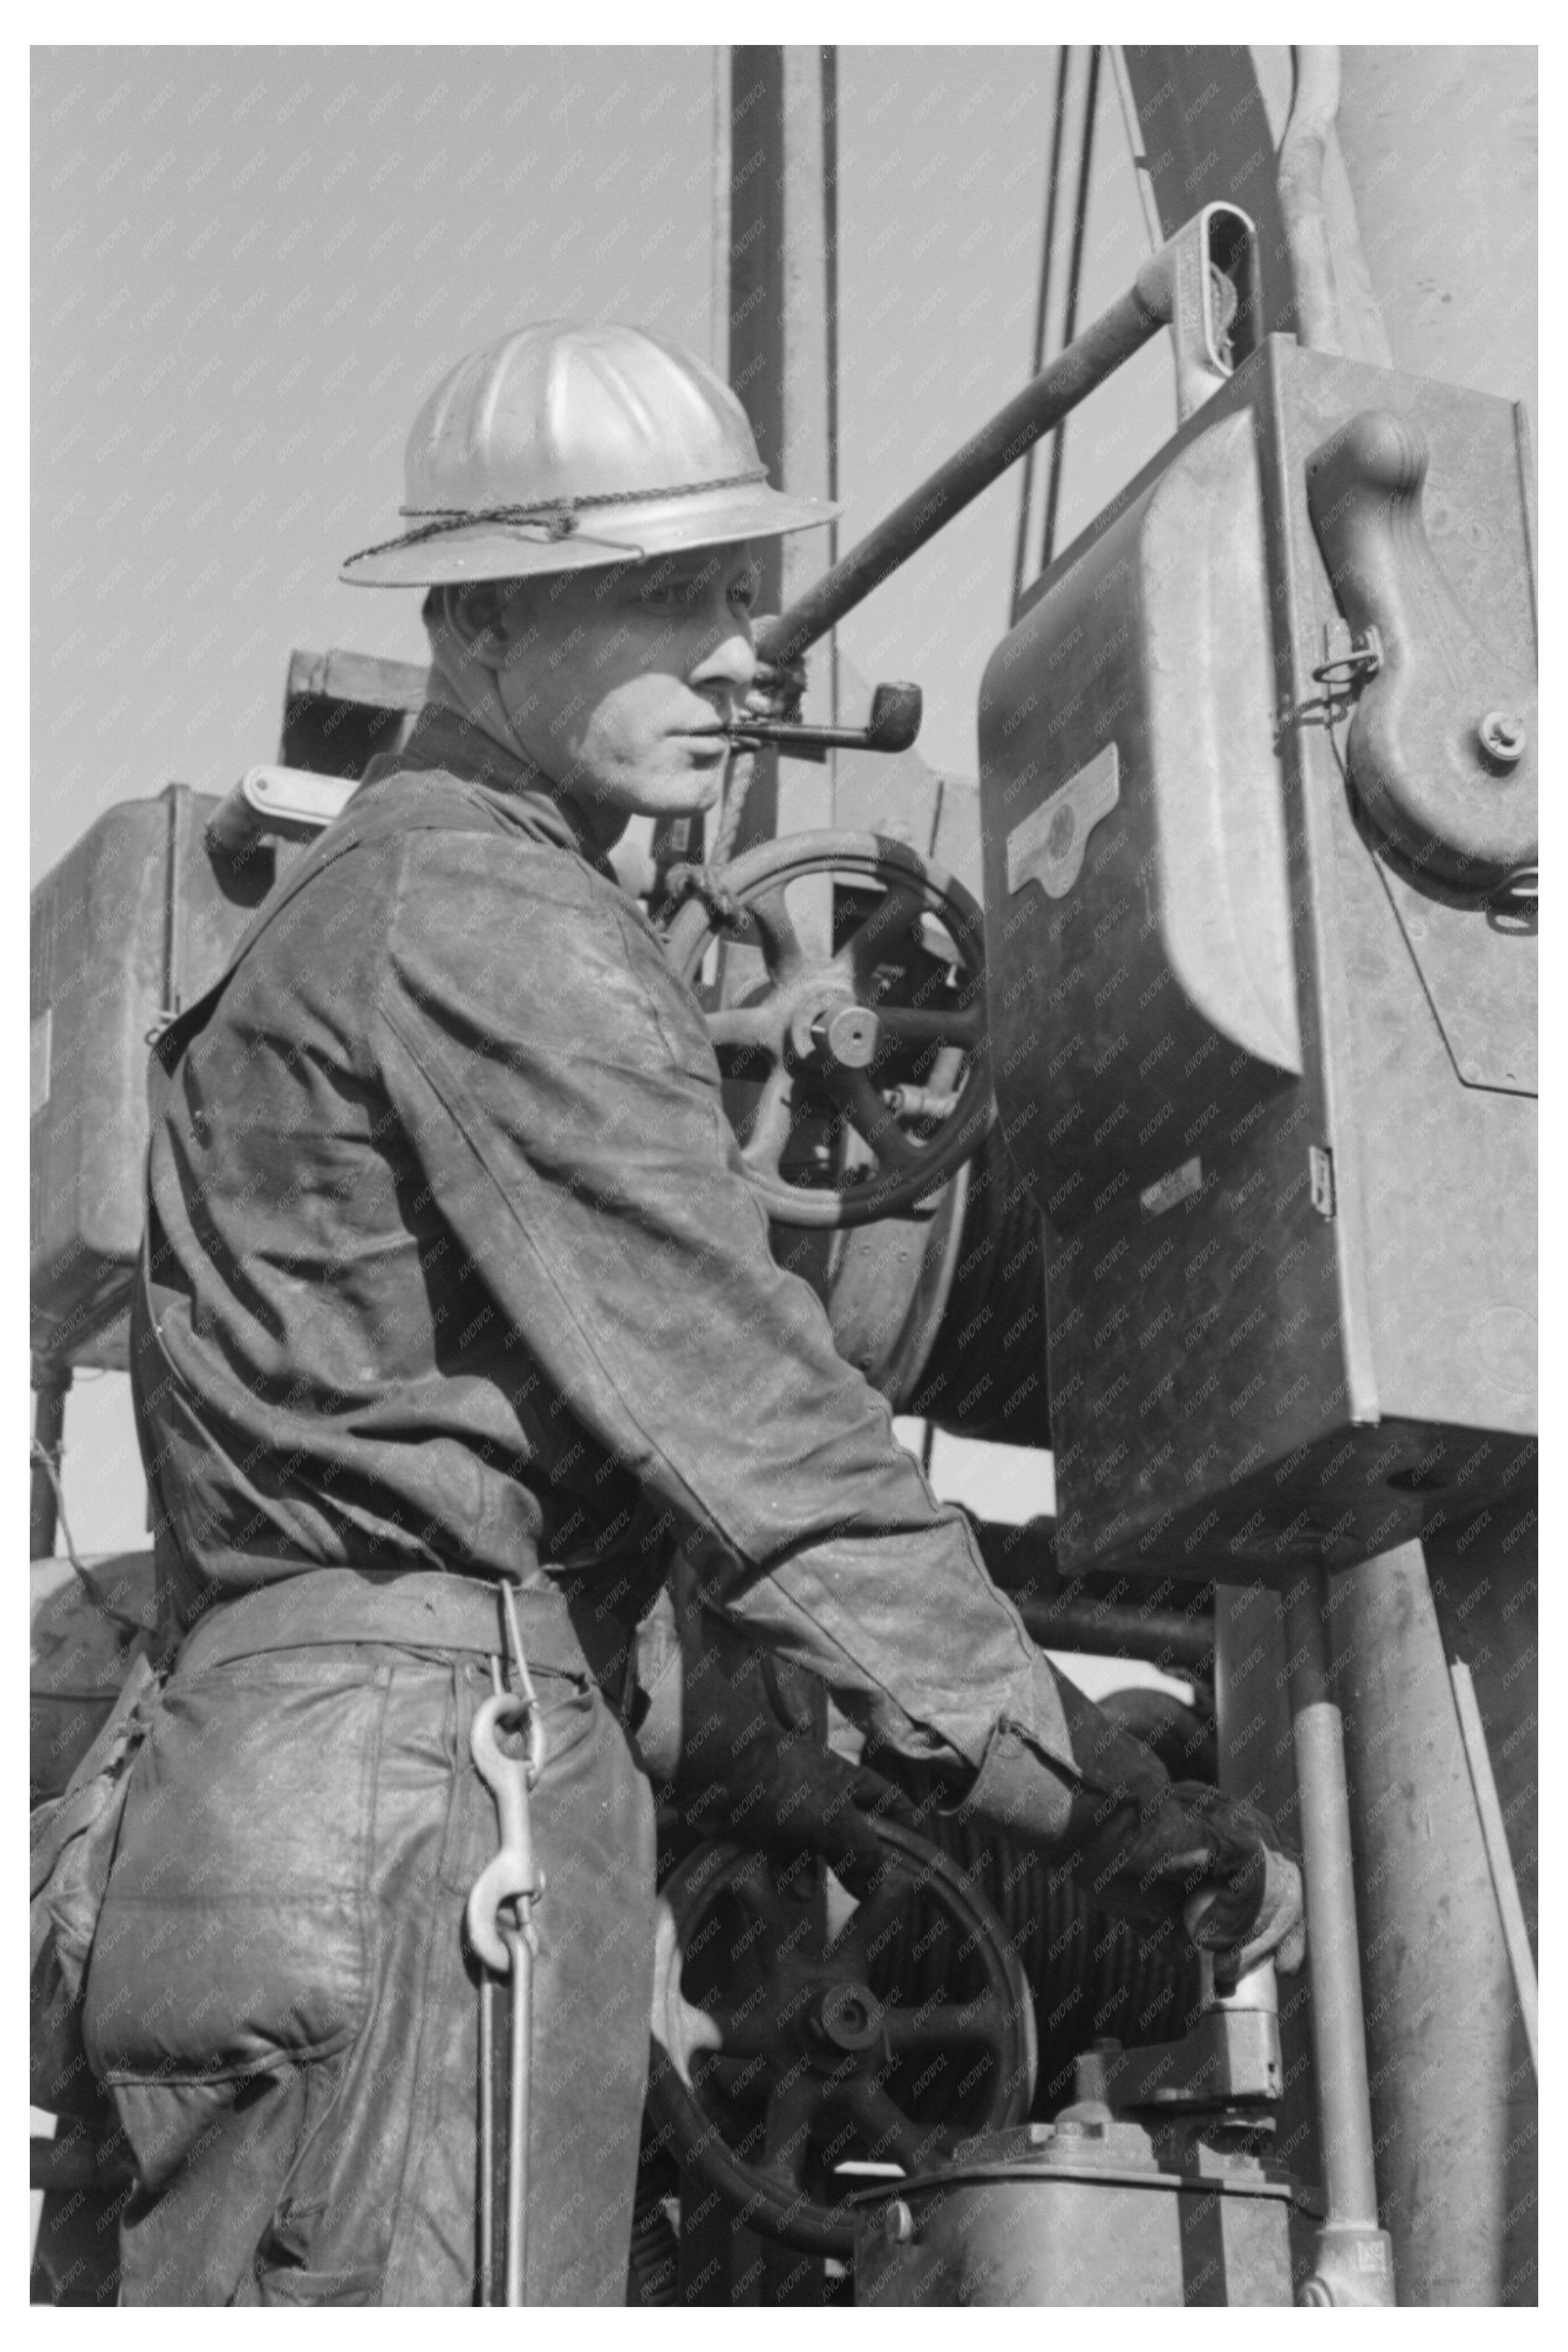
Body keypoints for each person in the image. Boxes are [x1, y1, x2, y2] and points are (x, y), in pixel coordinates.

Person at [84, 322, 1303, 2306]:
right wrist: (1092, 1796)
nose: (743, 644)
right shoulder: (494, 918)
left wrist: (835, 1765)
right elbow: (760, 1432)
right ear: (476, 624)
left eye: (739, 590)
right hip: (426, 1830)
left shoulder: (369, 909)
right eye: (666, 592)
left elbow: (546, 1510)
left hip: (302, 1799)